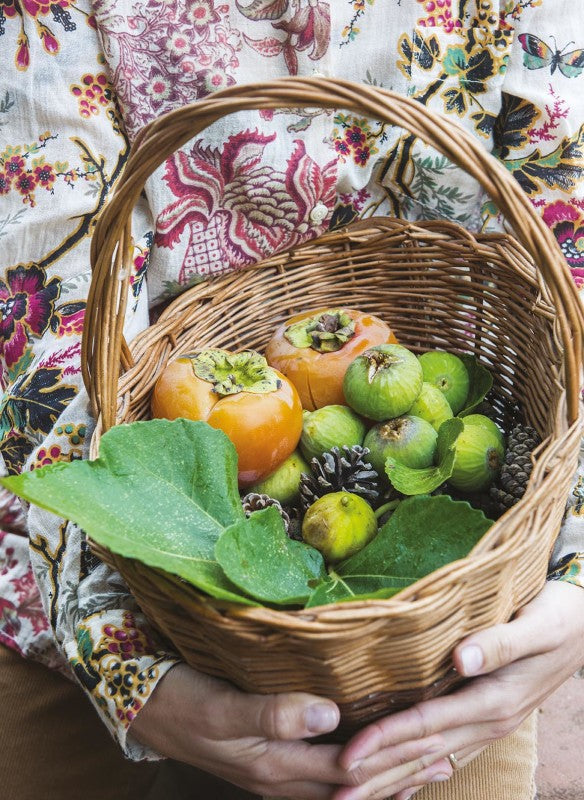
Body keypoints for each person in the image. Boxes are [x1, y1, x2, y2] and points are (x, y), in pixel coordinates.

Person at [1, 0, 583, 798]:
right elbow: (43, 332)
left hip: (442, 631)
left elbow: (565, 266)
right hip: (91, 561)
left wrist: (577, 581)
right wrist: (125, 665)